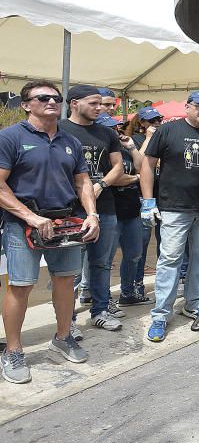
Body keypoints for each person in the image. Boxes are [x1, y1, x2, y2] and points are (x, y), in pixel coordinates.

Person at [0, 81, 100, 383]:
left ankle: (62, 337)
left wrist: (92, 214)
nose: (52, 102)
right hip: (23, 224)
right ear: (26, 104)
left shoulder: (69, 140)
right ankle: (14, 351)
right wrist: (30, 217)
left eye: (56, 97)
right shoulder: (10, 137)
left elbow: (83, 182)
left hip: (65, 222)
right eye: (43, 98)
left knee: (66, 281)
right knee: (21, 285)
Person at [142, 91, 199, 343]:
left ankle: (193, 303)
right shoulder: (167, 131)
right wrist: (148, 200)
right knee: (169, 258)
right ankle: (160, 314)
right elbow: (147, 165)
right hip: (173, 207)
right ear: (188, 107)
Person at [59, 85, 125, 331]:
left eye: (102, 103)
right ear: (74, 103)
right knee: (70, 269)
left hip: (104, 208)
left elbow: (118, 167)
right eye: (94, 103)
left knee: (102, 263)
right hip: (70, 210)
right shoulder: (60, 129)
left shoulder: (107, 133)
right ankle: (68, 320)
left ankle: (100, 310)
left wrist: (101, 184)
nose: (100, 108)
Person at [96, 114, 147, 306]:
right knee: (105, 260)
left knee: (134, 254)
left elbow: (142, 166)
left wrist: (132, 148)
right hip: (110, 210)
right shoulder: (101, 152)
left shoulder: (122, 148)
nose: (115, 131)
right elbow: (115, 179)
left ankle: (127, 293)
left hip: (131, 211)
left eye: (116, 127)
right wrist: (136, 178)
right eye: (110, 128)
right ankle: (104, 298)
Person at [124, 106, 162, 296]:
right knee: (141, 244)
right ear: (142, 123)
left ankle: (161, 284)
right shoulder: (136, 139)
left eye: (159, 120)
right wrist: (148, 138)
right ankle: (136, 286)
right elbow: (140, 163)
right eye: (152, 121)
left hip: (162, 196)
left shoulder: (163, 138)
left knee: (164, 245)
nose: (157, 124)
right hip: (140, 197)